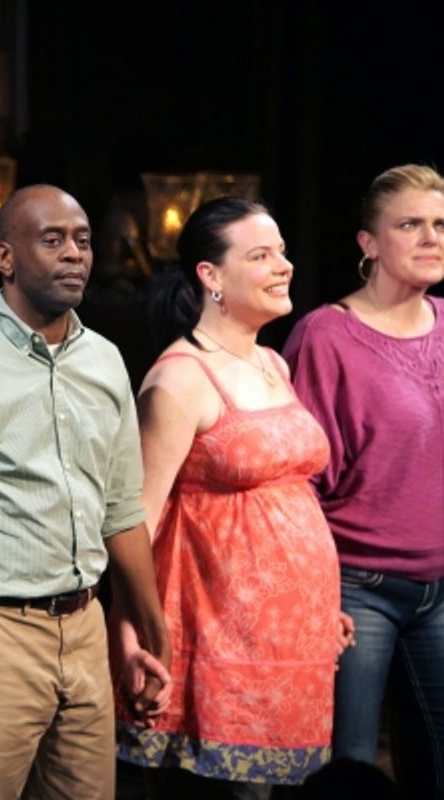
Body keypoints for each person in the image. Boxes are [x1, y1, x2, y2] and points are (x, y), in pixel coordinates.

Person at [0, 184, 171, 800]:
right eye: (53, 240)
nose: (74, 254)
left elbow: (123, 510)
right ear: (6, 258)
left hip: (84, 625)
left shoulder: (105, 362)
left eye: (81, 241)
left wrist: (156, 631)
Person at [117, 197, 353, 798]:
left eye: (282, 252)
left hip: (291, 646)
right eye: (261, 255)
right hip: (219, 644)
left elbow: (288, 497)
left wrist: (320, 605)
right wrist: (130, 634)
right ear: (210, 276)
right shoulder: (180, 379)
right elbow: (136, 520)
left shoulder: (274, 363)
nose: (285, 266)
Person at [284, 164, 444, 798]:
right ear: (368, 243)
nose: (431, 238)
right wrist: (319, 598)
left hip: (439, 589)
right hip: (358, 587)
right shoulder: (327, 335)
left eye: (440, 225)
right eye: (410, 224)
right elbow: (301, 481)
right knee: (347, 772)